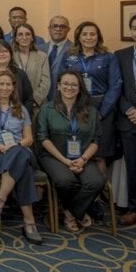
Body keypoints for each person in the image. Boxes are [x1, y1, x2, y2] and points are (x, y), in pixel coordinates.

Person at [0, 70, 42, 245]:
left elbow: (28, 139)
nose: (5, 87)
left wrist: (16, 146)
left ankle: (1, 198)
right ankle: (29, 223)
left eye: (8, 84)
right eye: (1, 84)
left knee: (18, 153)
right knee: (23, 169)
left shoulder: (22, 108)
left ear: (13, 87)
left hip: (20, 150)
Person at [36, 71, 103, 233]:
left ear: (80, 88)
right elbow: (43, 138)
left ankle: (71, 212)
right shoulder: (47, 108)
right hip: (54, 156)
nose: (69, 87)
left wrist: (83, 159)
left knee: (96, 182)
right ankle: (78, 211)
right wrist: (66, 161)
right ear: (58, 86)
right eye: (65, 84)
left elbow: (95, 141)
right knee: (65, 180)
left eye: (74, 84)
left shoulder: (90, 111)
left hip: (82, 157)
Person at [58, 21, 121, 176]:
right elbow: (60, 80)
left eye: (92, 34)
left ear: (98, 37)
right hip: (75, 105)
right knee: (75, 151)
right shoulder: (69, 56)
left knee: (99, 155)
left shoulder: (108, 57)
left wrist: (102, 112)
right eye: (84, 34)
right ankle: (79, 192)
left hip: (102, 106)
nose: (88, 37)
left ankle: (101, 197)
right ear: (78, 37)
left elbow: (115, 87)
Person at [116, 14, 136, 226]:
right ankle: (134, 208)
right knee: (133, 166)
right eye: (135, 28)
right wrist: (130, 109)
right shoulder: (121, 55)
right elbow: (117, 89)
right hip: (128, 120)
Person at [12, 23, 50, 110]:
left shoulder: (42, 56)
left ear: (32, 37)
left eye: (28, 34)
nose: (24, 37)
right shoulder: (10, 55)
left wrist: (34, 100)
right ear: (16, 38)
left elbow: (45, 82)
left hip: (36, 105)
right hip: (13, 103)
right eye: (20, 34)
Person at [45, 16, 72, 100]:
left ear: (68, 29)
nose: (58, 29)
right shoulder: (39, 49)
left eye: (62, 26)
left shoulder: (75, 50)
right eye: (55, 26)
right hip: (41, 99)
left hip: (64, 98)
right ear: (49, 28)